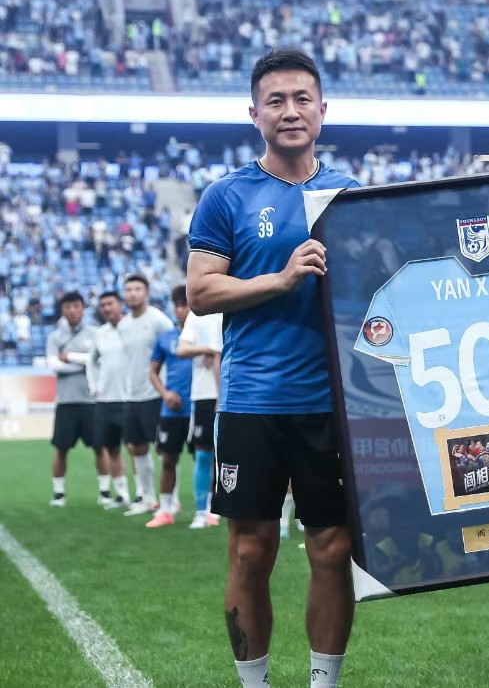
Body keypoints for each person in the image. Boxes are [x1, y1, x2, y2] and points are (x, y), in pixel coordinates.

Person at [186, 48, 359, 688]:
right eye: (276, 100)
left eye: (302, 99)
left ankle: (323, 683)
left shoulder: (351, 195)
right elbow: (200, 291)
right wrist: (281, 280)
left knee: (332, 550)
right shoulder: (226, 195)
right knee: (250, 550)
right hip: (252, 403)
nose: (290, 111)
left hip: (331, 406)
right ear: (254, 113)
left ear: (323, 109)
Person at [119, 273, 175, 516]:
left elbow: (173, 349)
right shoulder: (123, 325)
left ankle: (171, 500)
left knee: (164, 449)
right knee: (136, 447)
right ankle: (148, 498)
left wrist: (167, 388)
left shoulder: (158, 321)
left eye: (137, 289)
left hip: (155, 394)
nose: (132, 293)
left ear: (146, 293)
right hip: (131, 395)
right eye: (128, 289)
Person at [46, 291, 101, 506]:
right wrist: (85, 364)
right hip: (66, 401)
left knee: (101, 447)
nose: (72, 310)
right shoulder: (54, 337)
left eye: (76, 306)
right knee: (61, 449)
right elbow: (54, 365)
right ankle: (59, 493)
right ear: (62, 310)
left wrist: (70, 357)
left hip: (91, 400)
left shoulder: (95, 333)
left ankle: (105, 491)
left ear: (83, 308)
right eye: (68, 306)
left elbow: (99, 361)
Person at [145, 286, 193, 528]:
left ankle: (208, 510)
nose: (181, 310)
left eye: (186, 304)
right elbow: (152, 372)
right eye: (178, 305)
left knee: (206, 459)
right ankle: (165, 509)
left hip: (199, 408)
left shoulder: (208, 334)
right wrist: (165, 393)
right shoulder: (165, 338)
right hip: (172, 409)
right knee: (168, 460)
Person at [177, 309, 222, 529]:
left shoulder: (236, 306)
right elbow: (181, 349)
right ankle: (202, 511)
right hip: (204, 394)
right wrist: (209, 349)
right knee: (203, 453)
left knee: (233, 454)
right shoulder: (197, 314)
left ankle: (224, 507)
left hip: (236, 393)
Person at [87, 291, 131, 510]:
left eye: (110, 303)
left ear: (120, 304)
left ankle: (144, 495)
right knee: (112, 448)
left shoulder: (132, 328)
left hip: (129, 398)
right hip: (105, 400)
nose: (106, 308)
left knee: (135, 447)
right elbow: (91, 361)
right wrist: (94, 386)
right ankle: (122, 495)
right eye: (103, 305)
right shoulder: (100, 333)